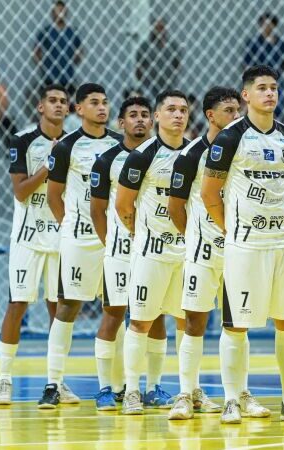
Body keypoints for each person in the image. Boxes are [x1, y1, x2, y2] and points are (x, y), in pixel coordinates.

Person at [201, 65, 284, 424]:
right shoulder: (230, 138)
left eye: (274, 87)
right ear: (246, 95)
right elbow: (208, 193)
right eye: (262, 88)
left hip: (283, 243)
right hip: (245, 246)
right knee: (235, 325)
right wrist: (231, 229)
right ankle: (232, 398)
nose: (270, 94)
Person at [38, 83, 121, 409]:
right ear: (79, 110)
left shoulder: (119, 144)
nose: (102, 108)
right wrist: (70, 226)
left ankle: (119, 385)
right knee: (67, 307)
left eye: (105, 102)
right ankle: (52, 384)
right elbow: (53, 195)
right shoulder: (66, 147)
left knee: (116, 309)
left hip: (113, 241)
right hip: (78, 239)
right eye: (94, 103)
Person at [166, 86, 242, 420]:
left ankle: (238, 396)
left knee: (238, 322)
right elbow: (175, 206)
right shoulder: (191, 154)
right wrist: (196, 236)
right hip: (203, 250)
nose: (235, 116)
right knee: (194, 320)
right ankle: (185, 393)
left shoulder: (245, 147)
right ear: (211, 115)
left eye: (237, 110)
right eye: (228, 110)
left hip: (241, 249)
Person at [0, 84, 69, 405]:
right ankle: (4, 379)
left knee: (58, 309)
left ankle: (55, 383)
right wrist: (49, 165)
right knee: (18, 305)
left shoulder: (74, 143)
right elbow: (21, 191)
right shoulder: (21, 140)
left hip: (60, 236)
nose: (58, 106)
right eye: (52, 101)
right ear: (40, 106)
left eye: (63, 102)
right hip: (27, 237)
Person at [116, 90, 190, 415]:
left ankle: (190, 391)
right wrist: (140, 233)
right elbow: (122, 205)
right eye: (171, 109)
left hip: (187, 252)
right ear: (157, 116)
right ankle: (132, 390)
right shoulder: (143, 155)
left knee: (188, 321)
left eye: (183, 110)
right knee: (141, 322)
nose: (178, 115)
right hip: (151, 251)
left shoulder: (197, 153)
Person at [88, 96, 153, 410]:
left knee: (154, 318)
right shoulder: (106, 160)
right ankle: (105, 388)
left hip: (154, 250)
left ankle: (150, 388)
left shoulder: (160, 155)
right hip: (120, 251)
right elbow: (97, 210)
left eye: (144, 115)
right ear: (121, 123)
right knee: (113, 314)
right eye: (133, 115)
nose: (139, 120)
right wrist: (110, 243)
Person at [243, 13, 284, 118]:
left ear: (274, 26)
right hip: (257, 80)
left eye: (270, 24)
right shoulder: (254, 42)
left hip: (276, 79)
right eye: (265, 24)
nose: (267, 27)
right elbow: (246, 63)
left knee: (277, 106)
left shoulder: (280, 43)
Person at [33, 0, 83, 90]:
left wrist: (71, 63)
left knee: (69, 102)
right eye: (57, 10)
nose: (60, 13)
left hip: (68, 78)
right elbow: (36, 52)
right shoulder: (46, 31)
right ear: (52, 12)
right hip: (49, 78)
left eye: (62, 10)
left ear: (66, 12)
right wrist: (44, 66)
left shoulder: (72, 31)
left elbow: (80, 50)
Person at [135, 18, 181, 99]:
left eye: (161, 27)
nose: (159, 30)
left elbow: (177, 65)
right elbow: (138, 68)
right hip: (149, 87)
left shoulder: (172, 46)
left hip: (168, 86)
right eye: (157, 28)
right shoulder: (145, 46)